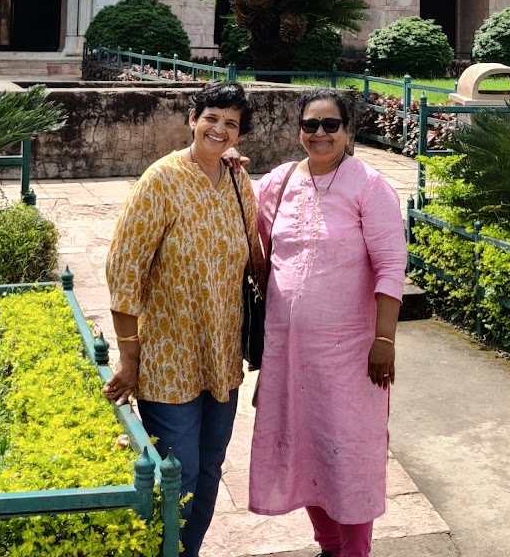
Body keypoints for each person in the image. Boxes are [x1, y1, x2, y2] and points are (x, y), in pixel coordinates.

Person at [248, 89, 406, 557]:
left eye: (330, 125)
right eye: (311, 125)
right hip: (291, 355)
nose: (319, 134)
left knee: (350, 454)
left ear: (348, 131)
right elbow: (255, 240)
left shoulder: (368, 186)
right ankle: (330, 546)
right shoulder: (277, 182)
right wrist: (229, 166)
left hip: (352, 356)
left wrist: (384, 339)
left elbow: (390, 266)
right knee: (308, 450)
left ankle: (354, 552)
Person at [104, 81, 259, 556]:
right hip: (170, 361)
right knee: (179, 474)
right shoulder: (162, 179)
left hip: (222, 359)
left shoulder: (238, 181)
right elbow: (124, 272)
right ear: (192, 119)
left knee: (210, 468)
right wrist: (129, 359)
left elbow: (253, 256)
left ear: (238, 137)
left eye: (231, 123)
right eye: (211, 117)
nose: (219, 128)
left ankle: (185, 551)